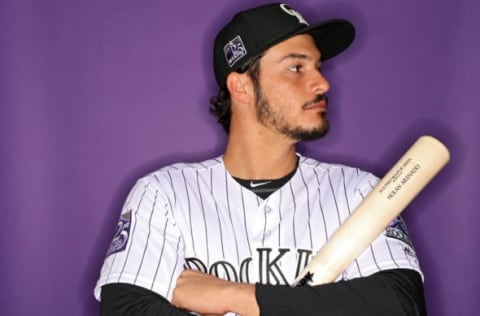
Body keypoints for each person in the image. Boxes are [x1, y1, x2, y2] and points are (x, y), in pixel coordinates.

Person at [94, 3, 426, 315]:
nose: (322, 83)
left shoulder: (359, 191)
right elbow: (124, 307)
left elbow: (400, 303)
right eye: (296, 67)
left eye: (318, 67)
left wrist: (235, 295)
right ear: (241, 87)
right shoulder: (164, 193)